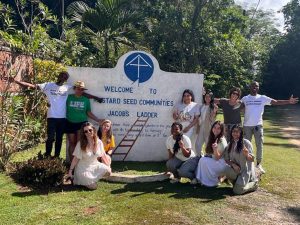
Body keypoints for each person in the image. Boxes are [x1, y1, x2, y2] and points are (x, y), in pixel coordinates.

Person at [241, 81, 299, 174]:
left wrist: (288, 101)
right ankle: (245, 164)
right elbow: (235, 106)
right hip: (246, 126)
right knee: (246, 145)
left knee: (259, 145)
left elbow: (275, 102)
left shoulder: (262, 98)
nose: (255, 87)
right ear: (250, 87)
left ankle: (259, 165)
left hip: (258, 125)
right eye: (253, 86)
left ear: (258, 88)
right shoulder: (245, 98)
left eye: (256, 86)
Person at [66, 81, 103, 162]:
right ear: (74, 89)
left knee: (80, 143)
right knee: (72, 143)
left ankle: (79, 164)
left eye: (82, 89)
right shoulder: (68, 97)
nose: (80, 91)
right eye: (78, 89)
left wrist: (97, 119)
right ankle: (72, 163)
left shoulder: (86, 100)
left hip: (82, 123)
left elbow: (88, 112)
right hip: (70, 122)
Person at [67, 122, 111, 190]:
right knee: (94, 187)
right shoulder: (80, 144)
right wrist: (70, 171)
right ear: (84, 133)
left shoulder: (99, 142)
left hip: (94, 165)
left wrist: (108, 166)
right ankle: (81, 180)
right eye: (86, 131)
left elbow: (103, 155)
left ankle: (91, 180)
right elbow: (75, 159)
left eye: (90, 130)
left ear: (93, 130)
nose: (88, 132)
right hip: (83, 168)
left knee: (108, 172)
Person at [224, 124, 258, 195]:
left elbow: (251, 159)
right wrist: (233, 164)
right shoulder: (229, 145)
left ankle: (254, 184)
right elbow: (226, 160)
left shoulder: (246, 143)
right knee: (225, 169)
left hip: (245, 172)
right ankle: (237, 184)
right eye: (233, 131)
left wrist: (246, 154)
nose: (235, 133)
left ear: (241, 133)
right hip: (236, 170)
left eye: (237, 132)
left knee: (237, 191)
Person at [195, 121, 227, 187]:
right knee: (202, 159)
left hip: (221, 163)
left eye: (218, 128)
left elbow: (218, 158)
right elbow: (209, 152)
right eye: (214, 127)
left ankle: (212, 182)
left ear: (221, 130)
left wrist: (215, 149)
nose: (216, 129)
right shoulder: (213, 137)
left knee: (203, 160)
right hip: (216, 160)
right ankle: (202, 180)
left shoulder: (222, 140)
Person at [195, 90, 218, 156]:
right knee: (197, 144)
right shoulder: (202, 106)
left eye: (209, 97)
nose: (207, 98)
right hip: (201, 126)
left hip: (209, 127)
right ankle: (199, 156)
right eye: (206, 97)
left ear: (211, 98)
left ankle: (208, 157)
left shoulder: (214, 107)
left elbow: (212, 119)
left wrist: (214, 112)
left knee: (208, 144)